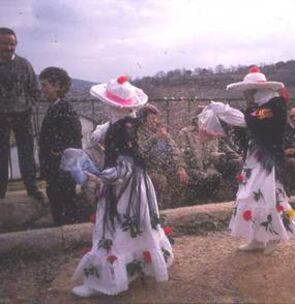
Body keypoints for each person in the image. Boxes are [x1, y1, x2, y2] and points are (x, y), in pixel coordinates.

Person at [72, 76, 174, 297]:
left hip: (124, 185)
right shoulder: (126, 123)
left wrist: (99, 176)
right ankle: (136, 268)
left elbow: (124, 166)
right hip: (137, 184)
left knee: (110, 227)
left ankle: (103, 281)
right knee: (136, 225)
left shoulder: (121, 128)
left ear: (112, 104)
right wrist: (105, 132)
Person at [200, 66, 295, 255]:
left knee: (268, 194)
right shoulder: (260, 108)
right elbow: (247, 122)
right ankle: (257, 238)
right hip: (256, 157)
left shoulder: (274, 106)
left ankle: (275, 233)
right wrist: (223, 113)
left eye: (247, 92)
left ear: (257, 91)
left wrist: (225, 110)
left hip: (269, 159)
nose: (245, 96)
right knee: (250, 193)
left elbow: (249, 120)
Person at [0, 27, 43, 200]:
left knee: (26, 153)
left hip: (22, 116)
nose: (9, 47)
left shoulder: (24, 64)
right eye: (4, 43)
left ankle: (32, 188)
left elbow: (35, 90)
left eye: (12, 44)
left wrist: (29, 106)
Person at [38, 67, 83, 226]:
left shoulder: (64, 108)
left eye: (45, 85)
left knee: (63, 200)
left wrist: (58, 152)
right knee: (59, 198)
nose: (42, 89)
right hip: (57, 167)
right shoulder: (56, 107)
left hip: (60, 168)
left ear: (58, 86)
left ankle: (68, 231)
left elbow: (73, 138)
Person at [177, 107, 242, 202]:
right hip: (192, 167)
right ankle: (200, 201)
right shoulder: (186, 133)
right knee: (206, 177)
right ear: (197, 118)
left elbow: (224, 146)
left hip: (209, 167)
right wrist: (181, 168)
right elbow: (180, 153)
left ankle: (231, 198)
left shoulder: (211, 131)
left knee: (223, 171)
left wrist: (238, 157)